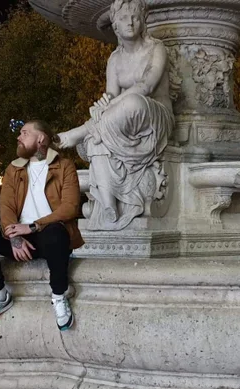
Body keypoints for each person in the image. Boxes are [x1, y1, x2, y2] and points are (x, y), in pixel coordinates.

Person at [57, 0, 173, 231]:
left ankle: (81, 131)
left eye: (135, 17)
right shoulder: (115, 59)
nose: (130, 22)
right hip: (126, 119)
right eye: (123, 18)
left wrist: (110, 105)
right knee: (97, 138)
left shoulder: (156, 48)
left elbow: (147, 86)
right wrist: (103, 104)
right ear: (115, 26)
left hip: (155, 117)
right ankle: (109, 205)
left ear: (142, 22)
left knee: (132, 102)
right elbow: (111, 94)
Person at [0, 121, 84, 330]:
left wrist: (33, 227)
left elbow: (70, 207)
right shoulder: (14, 169)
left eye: (24, 133)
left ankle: (59, 296)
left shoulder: (64, 166)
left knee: (56, 233)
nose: (18, 137)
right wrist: (14, 236)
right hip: (20, 238)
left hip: (49, 237)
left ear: (40, 138)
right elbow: (6, 207)